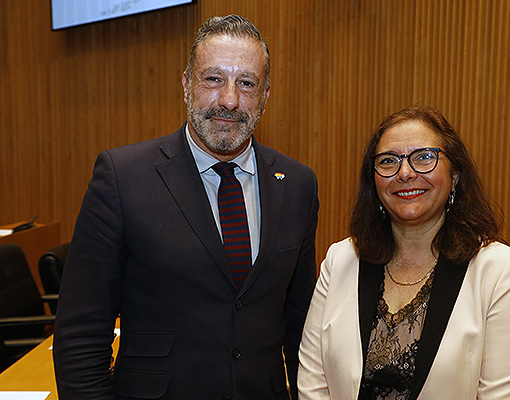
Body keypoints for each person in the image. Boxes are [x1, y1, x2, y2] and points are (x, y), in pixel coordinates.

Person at [53, 15, 319, 400]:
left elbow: (301, 327)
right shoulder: (123, 177)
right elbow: (81, 333)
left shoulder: (297, 184)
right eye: (213, 79)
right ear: (186, 85)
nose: (229, 99)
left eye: (246, 83)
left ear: (265, 95)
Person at [298, 105, 510, 399]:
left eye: (424, 157)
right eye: (388, 161)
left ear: (456, 175)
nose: (405, 173)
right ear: (373, 182)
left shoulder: (500, 272)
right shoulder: (340, 260)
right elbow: (313, 383)